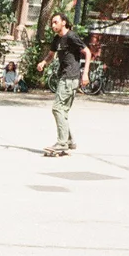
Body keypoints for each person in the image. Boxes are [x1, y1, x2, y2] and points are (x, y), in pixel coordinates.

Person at [37, 13, 91, 154]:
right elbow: (51, 55)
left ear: (64, 22)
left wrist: (85, 74)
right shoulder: (57, 39)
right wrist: (44, 62)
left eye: (56, 22)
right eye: (52, 23)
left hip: (70, 77)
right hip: (65, 77)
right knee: (63, 111)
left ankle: (62, 143)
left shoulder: (71, 36)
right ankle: (69, 141)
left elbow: (87, 52)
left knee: (57, 108)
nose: (53, 25)